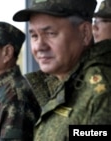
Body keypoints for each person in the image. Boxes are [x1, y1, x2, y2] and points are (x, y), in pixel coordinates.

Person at [12, 0, 111, 140]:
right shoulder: (61, 82)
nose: (39, 46)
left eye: (50, 33)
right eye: (34, 36)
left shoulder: (101, 89)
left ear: (85, 33)